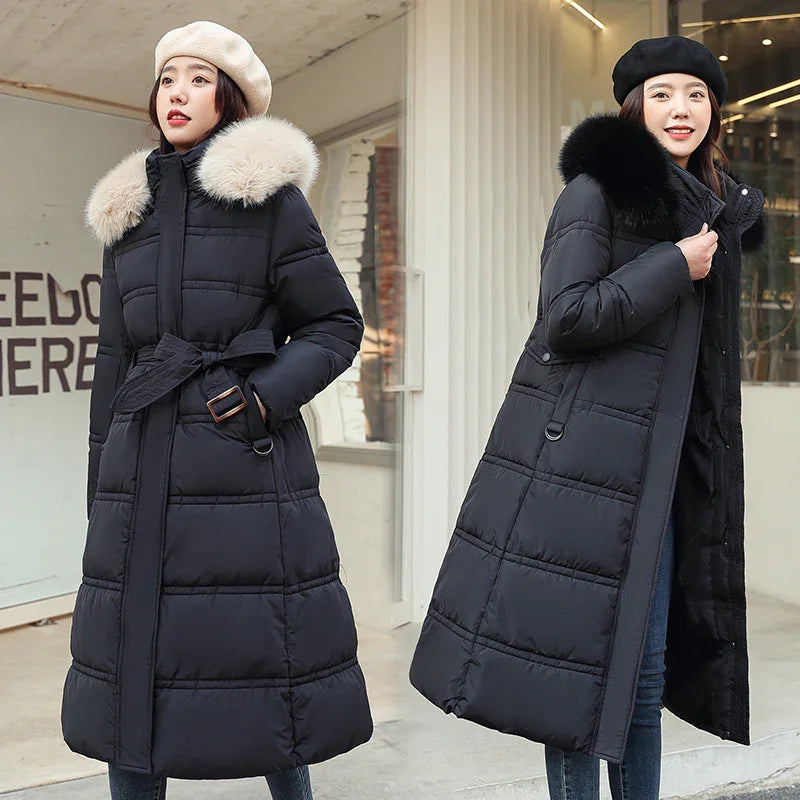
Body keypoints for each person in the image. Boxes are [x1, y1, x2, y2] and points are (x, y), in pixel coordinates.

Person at [409, 35, 766, 800]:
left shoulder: (714, 209)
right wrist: (673, 264)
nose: (681, 109)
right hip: (585, 470)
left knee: (644, 678)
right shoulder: (595, 193)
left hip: (664, 475)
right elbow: (565, 317)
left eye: (696, 95)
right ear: (635, 107)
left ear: (715, 111)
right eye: (663, 94)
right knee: (573, 681)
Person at [60, 21, 373, 800]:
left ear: (228, 99)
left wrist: (263, 396)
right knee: (131, 684)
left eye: (199, 79)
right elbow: (114, 361)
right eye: (169, 78)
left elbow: (336, 324)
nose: (178, 93)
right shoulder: (127, 214)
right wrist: (102, 486)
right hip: (142, 474)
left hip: (245, 467)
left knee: (264, 671)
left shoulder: (270, 201)